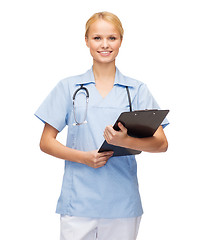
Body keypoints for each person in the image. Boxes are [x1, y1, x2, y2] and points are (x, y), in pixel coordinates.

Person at [35, 11, 169, 240]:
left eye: (112, 38)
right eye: (97, 38)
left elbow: (161, 144)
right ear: (86, 41)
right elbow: (46, 142)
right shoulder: (68, 87)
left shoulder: (136, 90)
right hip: (78, 202)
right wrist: (83, 158)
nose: (105, 44)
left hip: (122, 204)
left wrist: (125, 141)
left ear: (121, 41)